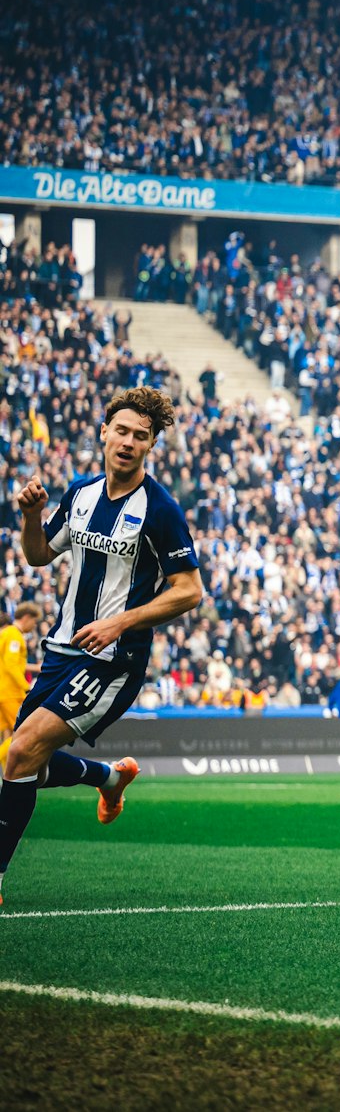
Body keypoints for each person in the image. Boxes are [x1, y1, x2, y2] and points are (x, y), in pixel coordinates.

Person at [0, 388, 205, 906]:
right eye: (122, 431)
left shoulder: (160, 510)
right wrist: (30, 516)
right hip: (61, 650)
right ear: (104, 432)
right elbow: (40, 556)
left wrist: (119, 623)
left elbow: (189, 590)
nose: (129, 442)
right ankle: (108, 778)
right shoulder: (81, 493)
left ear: (152, 445)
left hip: (115, 660)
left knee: (21, 751)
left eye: (142, 436)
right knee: (22, 764)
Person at [0, 605, 43, 770]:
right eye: (34, 621)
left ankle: (7, 778)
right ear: (26, 617)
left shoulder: (6, 634)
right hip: (11, 693)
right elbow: (11, 665)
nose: (34, 626)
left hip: (3, 692)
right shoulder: (14, 635)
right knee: (21, 735)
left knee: (9, 736)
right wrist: (25, 687)